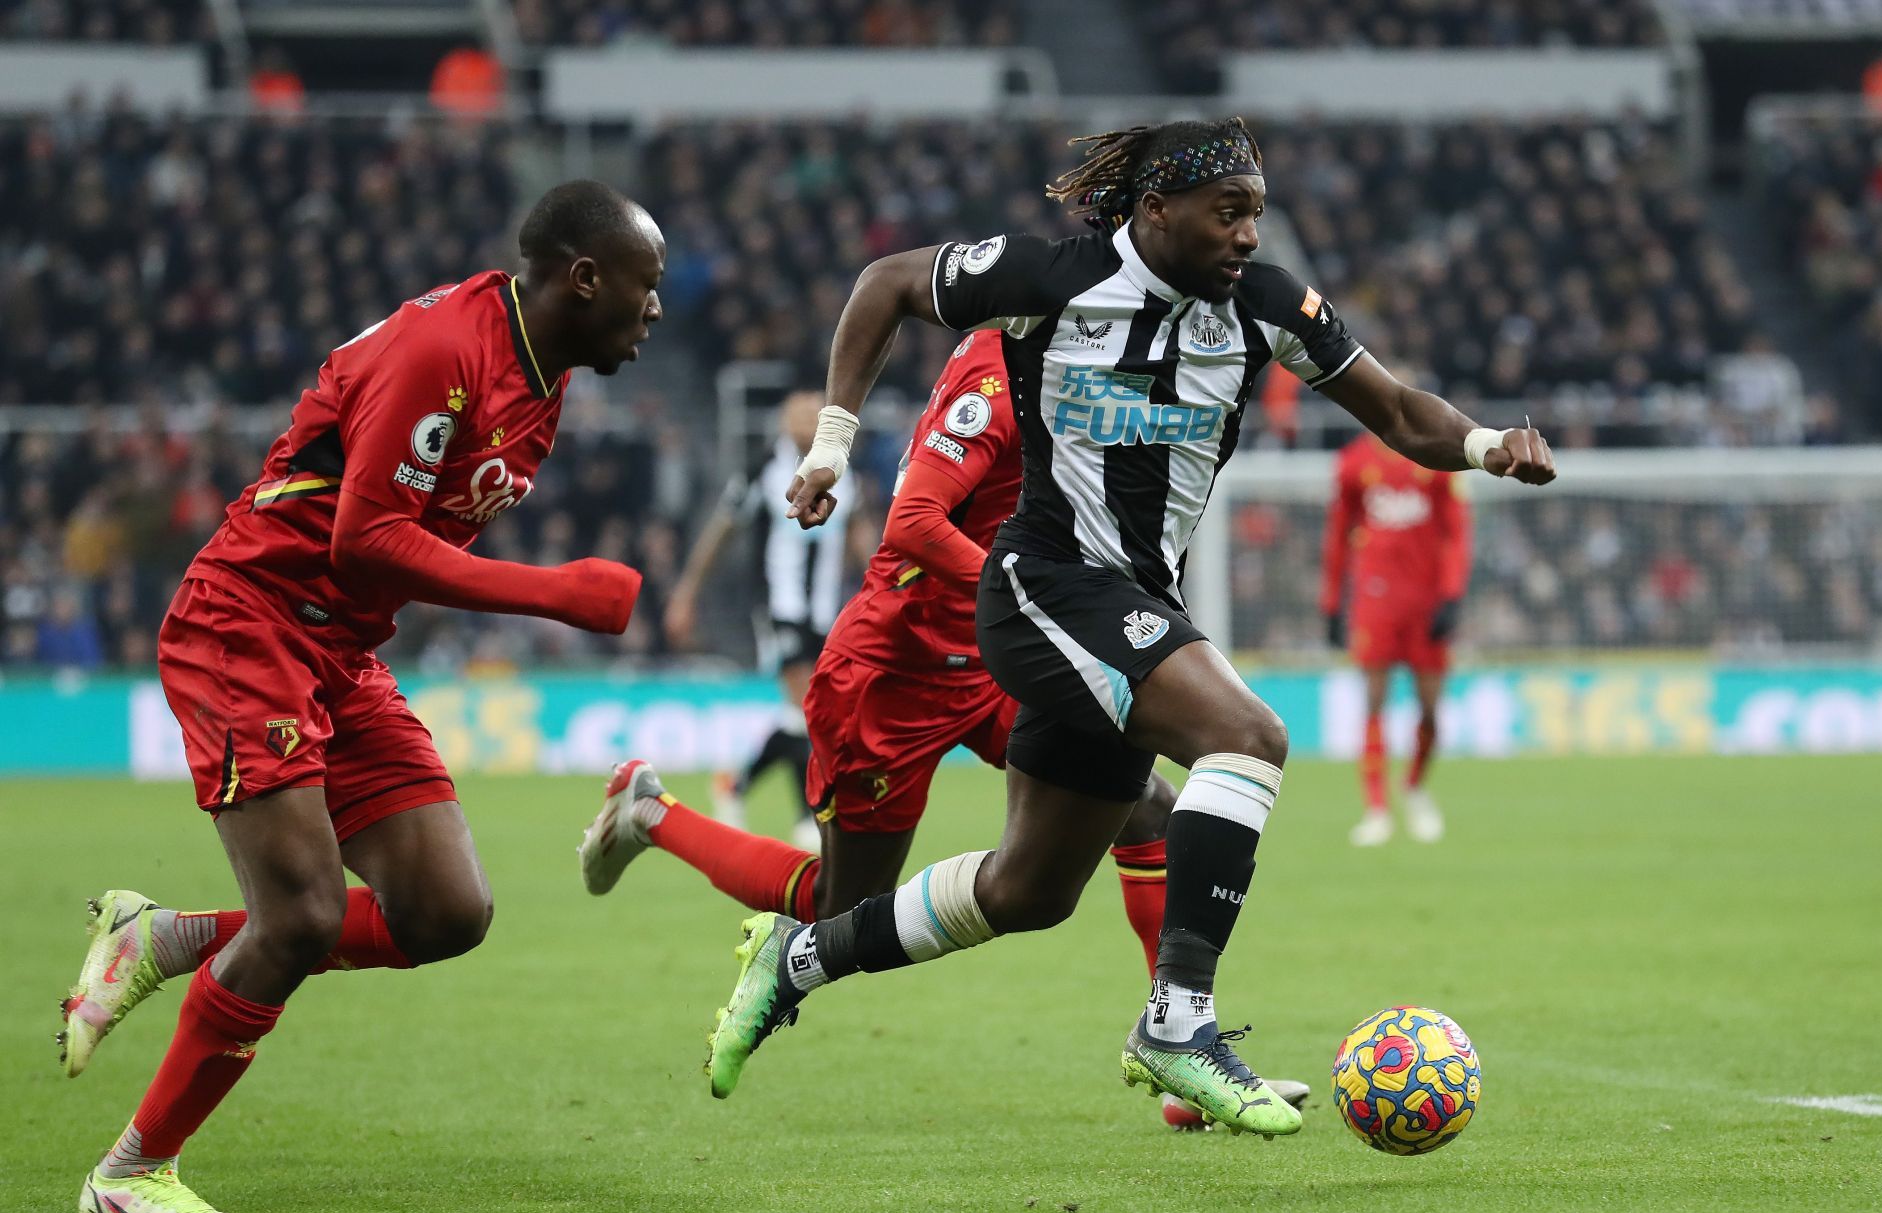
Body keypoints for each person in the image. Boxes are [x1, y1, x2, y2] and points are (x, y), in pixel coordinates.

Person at [704, 117, 1556, 1133]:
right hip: (1043, 587)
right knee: (1249, 736)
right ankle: (1177, 1020)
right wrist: (833, 446)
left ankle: (798, 957)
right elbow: (887, 281)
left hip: (1135, 605)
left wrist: (1490, 443)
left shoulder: (1269, 306)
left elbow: (1400, 411)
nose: (1247, 235)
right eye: (1226, 213)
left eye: (1257, 214)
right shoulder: (1053, 283)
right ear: (1156, 210)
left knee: (1029, 891)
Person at [57, 180, 664, 1213]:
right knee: (298, 919)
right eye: (646, 286)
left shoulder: (542, 376)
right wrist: (553, 593)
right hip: (249, 622)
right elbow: (365, 538)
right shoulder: (447, 350)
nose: (657, 308)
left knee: (446, 912)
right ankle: (129, 1173)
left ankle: (163, 939)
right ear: (585, 277)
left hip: (339, 651)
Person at [579, 329, 1304, 1127]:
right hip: (898, 670)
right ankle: (651, 815)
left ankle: (1177, 1046)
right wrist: (1033, 590)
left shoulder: (1111, 364)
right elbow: (912, 523)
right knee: (841, 905)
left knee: (1147, 809)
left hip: (1010, 658)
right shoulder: (999, 366)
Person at [664, 391, 856, 850]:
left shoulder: (847, 472)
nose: (805, 422)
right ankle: (807, 817)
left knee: (806, 711)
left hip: (826, 611)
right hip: (779, 607)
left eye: (813, 413)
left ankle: (736, 784)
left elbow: (860, 535)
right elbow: (721, 529)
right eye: (796, 414)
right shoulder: (764, 468)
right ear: (783, 422)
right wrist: (687, 592)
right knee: (806, 703)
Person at [1320, 430, 1471, 846]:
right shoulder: (1353, 462)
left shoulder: (1437, 457)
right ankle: (1376, 809)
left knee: (1430, 709)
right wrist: (1332, 603)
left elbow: (1457, 531)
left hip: (1426, 602)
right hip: (1375, 599)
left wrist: (1452, 595)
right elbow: (1337, 535)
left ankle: (1415, 788)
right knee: (1373, 701)